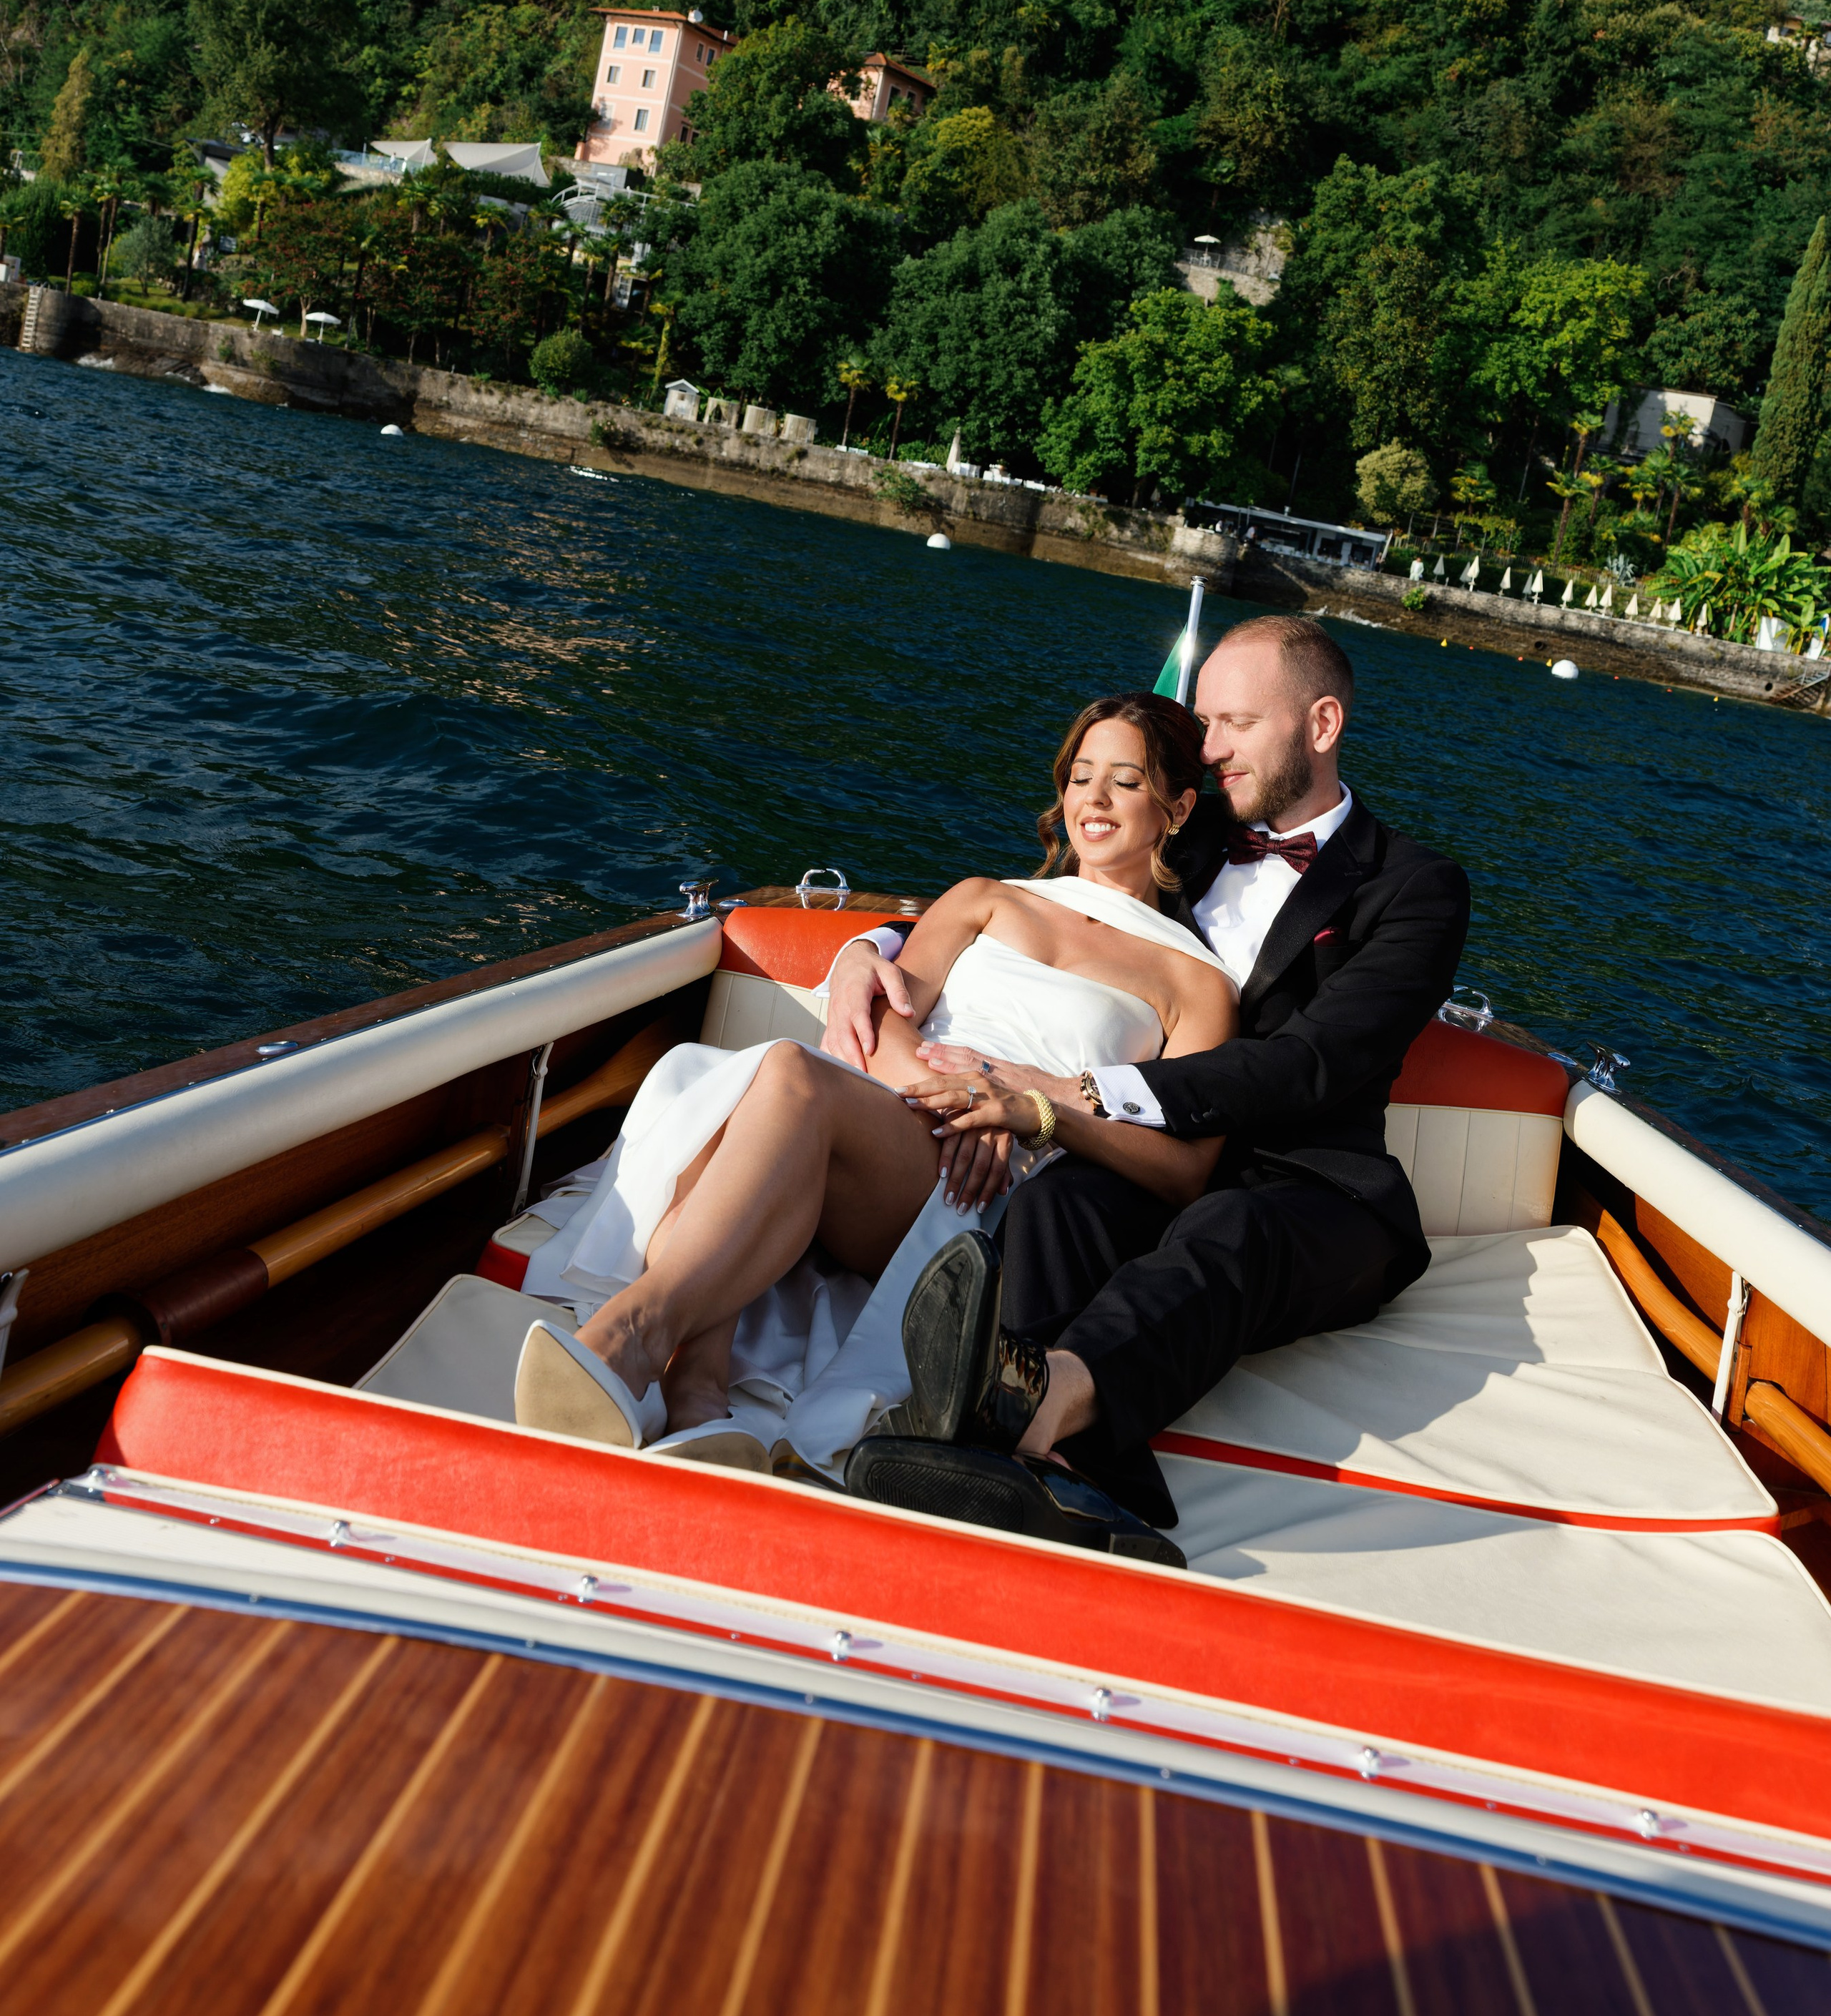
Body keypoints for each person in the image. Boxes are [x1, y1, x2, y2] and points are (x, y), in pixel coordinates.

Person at [511, 693, 1240, 1554]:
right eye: (1081, 776)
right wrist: (943, 1094)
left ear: (1177, 807)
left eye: (1125, 782)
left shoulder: (1195, 984)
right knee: (775, 1083)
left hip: (987, 1182)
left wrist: (1027, 1107)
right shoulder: (986, 898)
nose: (1095, 801)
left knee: (782, 1075)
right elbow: (891, 1015)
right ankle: (698, 1392)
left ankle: (633, 1332)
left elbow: (1181, 1166)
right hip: (901, 1116)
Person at [827, 611, 1471, 1542]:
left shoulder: (1415, 888)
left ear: (1321, 726)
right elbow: (1047, 906)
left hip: (1306, 1181)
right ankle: (1051, 1457)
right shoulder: (1191, 829)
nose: (1206, 750)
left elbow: (1312, 1063)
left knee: (1229, 1229)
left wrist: (1067, 1096)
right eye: (1202, 725)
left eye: (1234, 725)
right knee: (1057, 1203)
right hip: (1151, 1153)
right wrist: (869, 948)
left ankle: (1034, 1428)